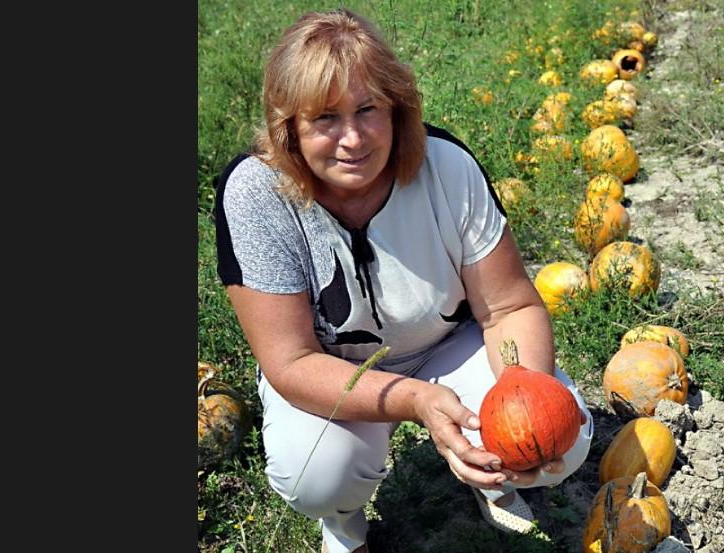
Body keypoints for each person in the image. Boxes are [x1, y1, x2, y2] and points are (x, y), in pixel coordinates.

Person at [212, 9, 593, 553]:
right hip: (333, 369)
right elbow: (290, 361)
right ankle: (342, 524)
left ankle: (492, 482)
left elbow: (509, 308)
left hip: (446, 347)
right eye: (324, 118)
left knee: (566, 441)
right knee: (316, 474)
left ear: (397, 108)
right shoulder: (255, 196)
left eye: (368, 109)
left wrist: (523, 406)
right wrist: (417, 400)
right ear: (288, 128)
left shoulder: (445, 166)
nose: (352, 139)